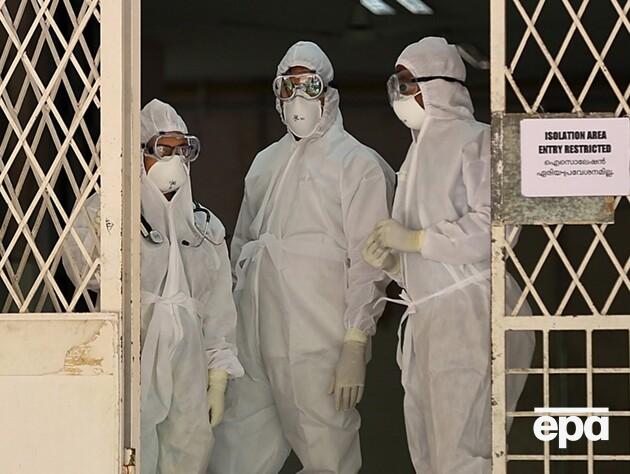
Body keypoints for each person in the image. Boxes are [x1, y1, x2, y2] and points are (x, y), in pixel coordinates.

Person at [209, 41, 395, 474]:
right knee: (236, 452)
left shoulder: (357, 164)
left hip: (318, 337)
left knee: (325, 451)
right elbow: (240, 251)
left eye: (309, 86)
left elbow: (370, 261)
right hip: (254, 333)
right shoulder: (265, 164)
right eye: (287, 87)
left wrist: (355, 341)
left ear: (328, 92)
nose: (297, 98)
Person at [362, 37, 535, 473]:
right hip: (430, 316)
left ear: (437, 85)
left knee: (465, 453)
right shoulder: (416, 154)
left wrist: (418, 241)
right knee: (430, 456)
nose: (399, 96)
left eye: (406, 84)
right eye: (395, 84)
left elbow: (497, 228)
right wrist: (395, 262)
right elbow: (421, 251)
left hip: (470, 313)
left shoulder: (478, 140)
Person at [62, 99, 243, 474]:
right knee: (128, 450)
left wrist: (218, 377)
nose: (174, 160)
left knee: (189, 451)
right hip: (134, 355)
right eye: (163, 149)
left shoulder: (203, 227)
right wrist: (105, 212)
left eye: (182, 150)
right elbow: (81, 271)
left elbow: (218, 308)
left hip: (188, 366)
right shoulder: (110, 213)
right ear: (139, 153)